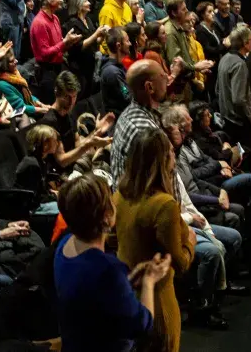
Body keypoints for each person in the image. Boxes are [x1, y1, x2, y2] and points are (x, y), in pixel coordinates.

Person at [52, 175, 172, 352]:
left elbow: (93, 297)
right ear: (107, 216)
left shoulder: (64, 245)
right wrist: (149, 281)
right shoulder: (107, 269)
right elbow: (141, 324)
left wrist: (127, 279)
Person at [110, 126, 198, 351]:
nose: (174, 155)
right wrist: (190, 240)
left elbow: (114, 239)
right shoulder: (164, 205)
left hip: (127, 297)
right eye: (170, 151)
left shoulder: (119, 196)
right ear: (162, 159)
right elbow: (179, 262)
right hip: (159, 303)